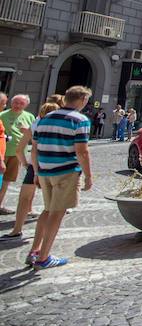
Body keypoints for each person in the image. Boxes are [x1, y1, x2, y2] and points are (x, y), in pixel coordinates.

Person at [28, 85, 93, 269]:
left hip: (45, 171)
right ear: (82, 100)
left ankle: (35, 250)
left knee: (47, 210)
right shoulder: (80, 120)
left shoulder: (45, 118)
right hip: (66, 171)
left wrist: (36, 171)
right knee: (57, 213)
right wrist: (88, 176)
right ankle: (43, 258)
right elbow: (82, 152)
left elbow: (35, 147)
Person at [2, 100, 59, 240]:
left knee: (24, 198)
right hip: (54, 166)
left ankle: (16, 230)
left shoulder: (35, 125)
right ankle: (44, 237)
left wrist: (27, 165)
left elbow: (19, 150)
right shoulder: (61, 126)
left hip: (35, 166)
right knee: (51, 203)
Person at [0, 94, 35, 215]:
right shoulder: (2, 115)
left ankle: (0, 204)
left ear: (26, 105)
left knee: (6, 180)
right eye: (16, 102)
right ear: (11, 103)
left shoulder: (29, 117)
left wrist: (27, 132)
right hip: (2, 153)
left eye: (21, 103)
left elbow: (35, 136)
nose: (18, 105)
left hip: (17, 155)